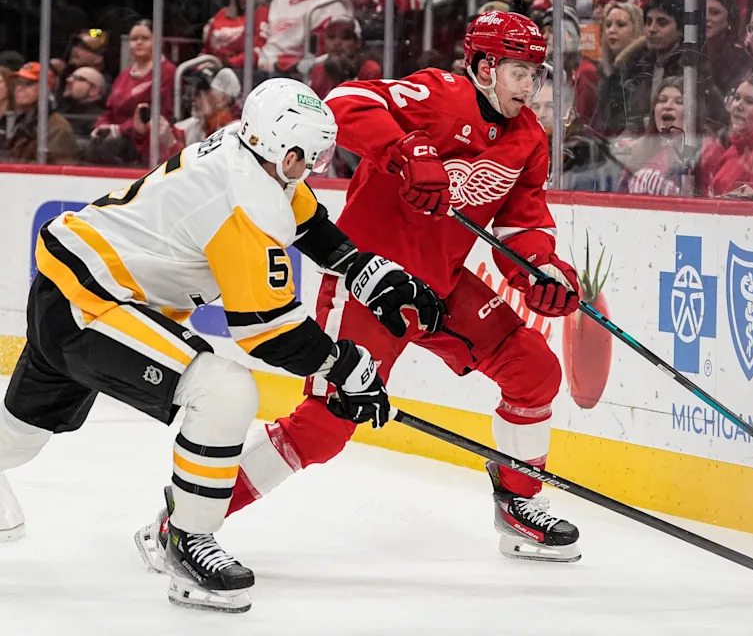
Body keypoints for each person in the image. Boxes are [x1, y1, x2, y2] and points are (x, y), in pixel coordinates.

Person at [134, 11, 585, 566]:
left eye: (537, 75)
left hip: (441, 285)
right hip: (370, 281)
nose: (532, 87)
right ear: (485, 67)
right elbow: (344, 104)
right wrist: (408, 152)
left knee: (534, 369)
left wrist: (540, 270)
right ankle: (182, 523)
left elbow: (522, 225)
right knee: (323, 429)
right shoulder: (437, 95)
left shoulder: (529, 139)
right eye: (521, 72)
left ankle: (518, 505)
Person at [0, 78, 442, 613]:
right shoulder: (243, 197)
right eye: (313, 157)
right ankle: (187, 541)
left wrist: (369, 273)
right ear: (286, 150)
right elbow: (266, 330)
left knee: (21, 434)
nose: (318, 167)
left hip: (76, 288)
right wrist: (345, 367)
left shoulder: (251, 153)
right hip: (91, 303)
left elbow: (308, 224)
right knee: (225, 390)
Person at [88, 20, 175, 165]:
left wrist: (120, 130)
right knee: (91, 144)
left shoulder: (167, 71)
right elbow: (110, 110)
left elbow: (160, 112)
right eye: (134, 39)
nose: (138, 43)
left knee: (106, 149)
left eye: (145, 38)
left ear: (158, 41)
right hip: (117, 135)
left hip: (145, 139)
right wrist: (101, 126)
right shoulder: (124, 74)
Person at [2, 62, 78, 163]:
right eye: (18, 83)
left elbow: (59, 168)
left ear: (45, 88)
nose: (19, 88)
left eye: (28, 84)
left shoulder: (57, 127)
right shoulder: (21, 121)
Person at [591, 1, 645, 136]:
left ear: (637, 28)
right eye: (608, 25)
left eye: (620, 24)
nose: (611, 30)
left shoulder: (642, 70)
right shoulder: (606, 72)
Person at [259, 0, 351, 74]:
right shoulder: (279, 0)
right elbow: (260, 39)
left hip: (291, 73)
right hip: (260, 66)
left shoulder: (331, 4)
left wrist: (281, 65)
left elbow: (320, 56)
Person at [308, 15, 382, 99]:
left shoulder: (370, 70)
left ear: (358, 43)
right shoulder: (318, 70)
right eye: (331, 37)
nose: (337, 43)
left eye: (345, 38)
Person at [202, 0, 270, 69]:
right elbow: (206, 50)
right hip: (209, 66)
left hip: (239, 71)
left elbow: (259, 50)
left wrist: (227, 64)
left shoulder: (262, 12)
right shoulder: (221, 14)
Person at [704, 0, 752, 96]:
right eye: (703, 12)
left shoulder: (739, 59)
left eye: (714, 12)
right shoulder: (690, 51)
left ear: (730, 19)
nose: (706, 18)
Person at [59, 66, 107, 138]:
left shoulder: (99, 119)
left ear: (93, 90)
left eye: (78, 78)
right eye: (70, 76)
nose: (68, 80)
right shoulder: (64, 110)